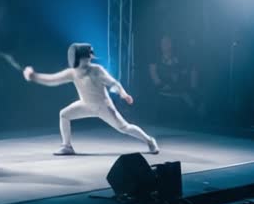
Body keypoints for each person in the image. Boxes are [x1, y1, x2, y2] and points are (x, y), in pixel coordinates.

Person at [23, 42, 159, 156]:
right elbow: (53, 80)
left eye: (89, 57)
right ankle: (67, 146)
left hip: (103, 106)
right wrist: (34, 76)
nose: (88, 59)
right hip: (86, 105)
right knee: (64, 114)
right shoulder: (72, 72)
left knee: (124, 127)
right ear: (78, 58)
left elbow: (113, 83)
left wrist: (123, 94)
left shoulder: (97, 70)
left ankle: (149, 141)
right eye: (86, 57)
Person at [148, 33, 200, 122]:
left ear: (171, 44)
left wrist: (183, 82)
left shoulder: (178, 59)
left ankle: (195, 112)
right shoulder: (155, 60)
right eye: (163, 43)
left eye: (167, 42)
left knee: (187, 96)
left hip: (178, 89)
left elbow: (184, 72)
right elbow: (154, 76)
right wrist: (162, 85)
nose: (165, 45)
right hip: (162, 88)